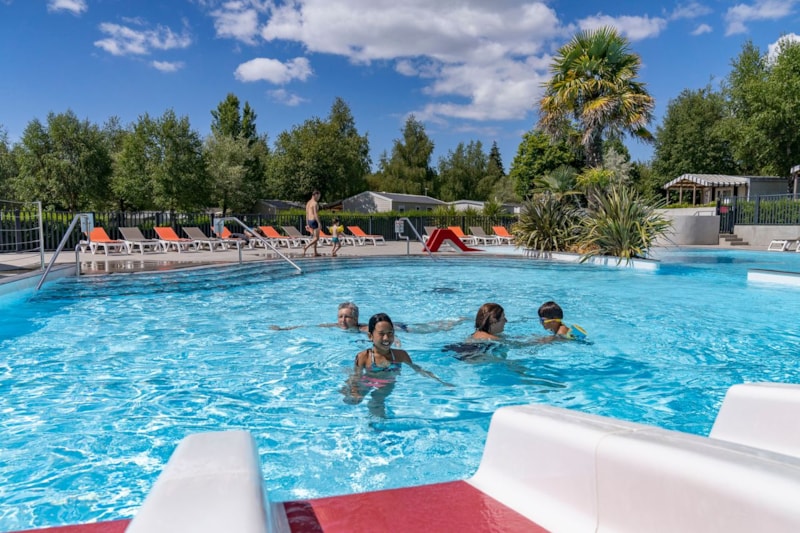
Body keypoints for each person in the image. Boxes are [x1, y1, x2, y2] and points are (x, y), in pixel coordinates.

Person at [343, 313, 453, 416]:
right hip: (368, 380)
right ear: (370, 336)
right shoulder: (364, 356)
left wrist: (441, 382)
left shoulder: (400, 355)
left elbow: (419, 369)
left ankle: (378, 422)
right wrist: (354, 391)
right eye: (381, 334)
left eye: (390, 333)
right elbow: (356, 376)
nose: (386, 338)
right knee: (352, 400)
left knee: (377, 398)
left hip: (387, 382)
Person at [302, 190, 321, 257]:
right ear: (315, 195)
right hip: (314, 221)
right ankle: (306, 247)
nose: (318, 198)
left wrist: (307, 223)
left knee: (314, 237)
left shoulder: (308, 203)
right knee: (316, 238)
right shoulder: (315, 203)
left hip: (310, 221)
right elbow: (315, 214)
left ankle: (315, 252)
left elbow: (307, 214)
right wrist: (319, 223)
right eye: (318, 196)